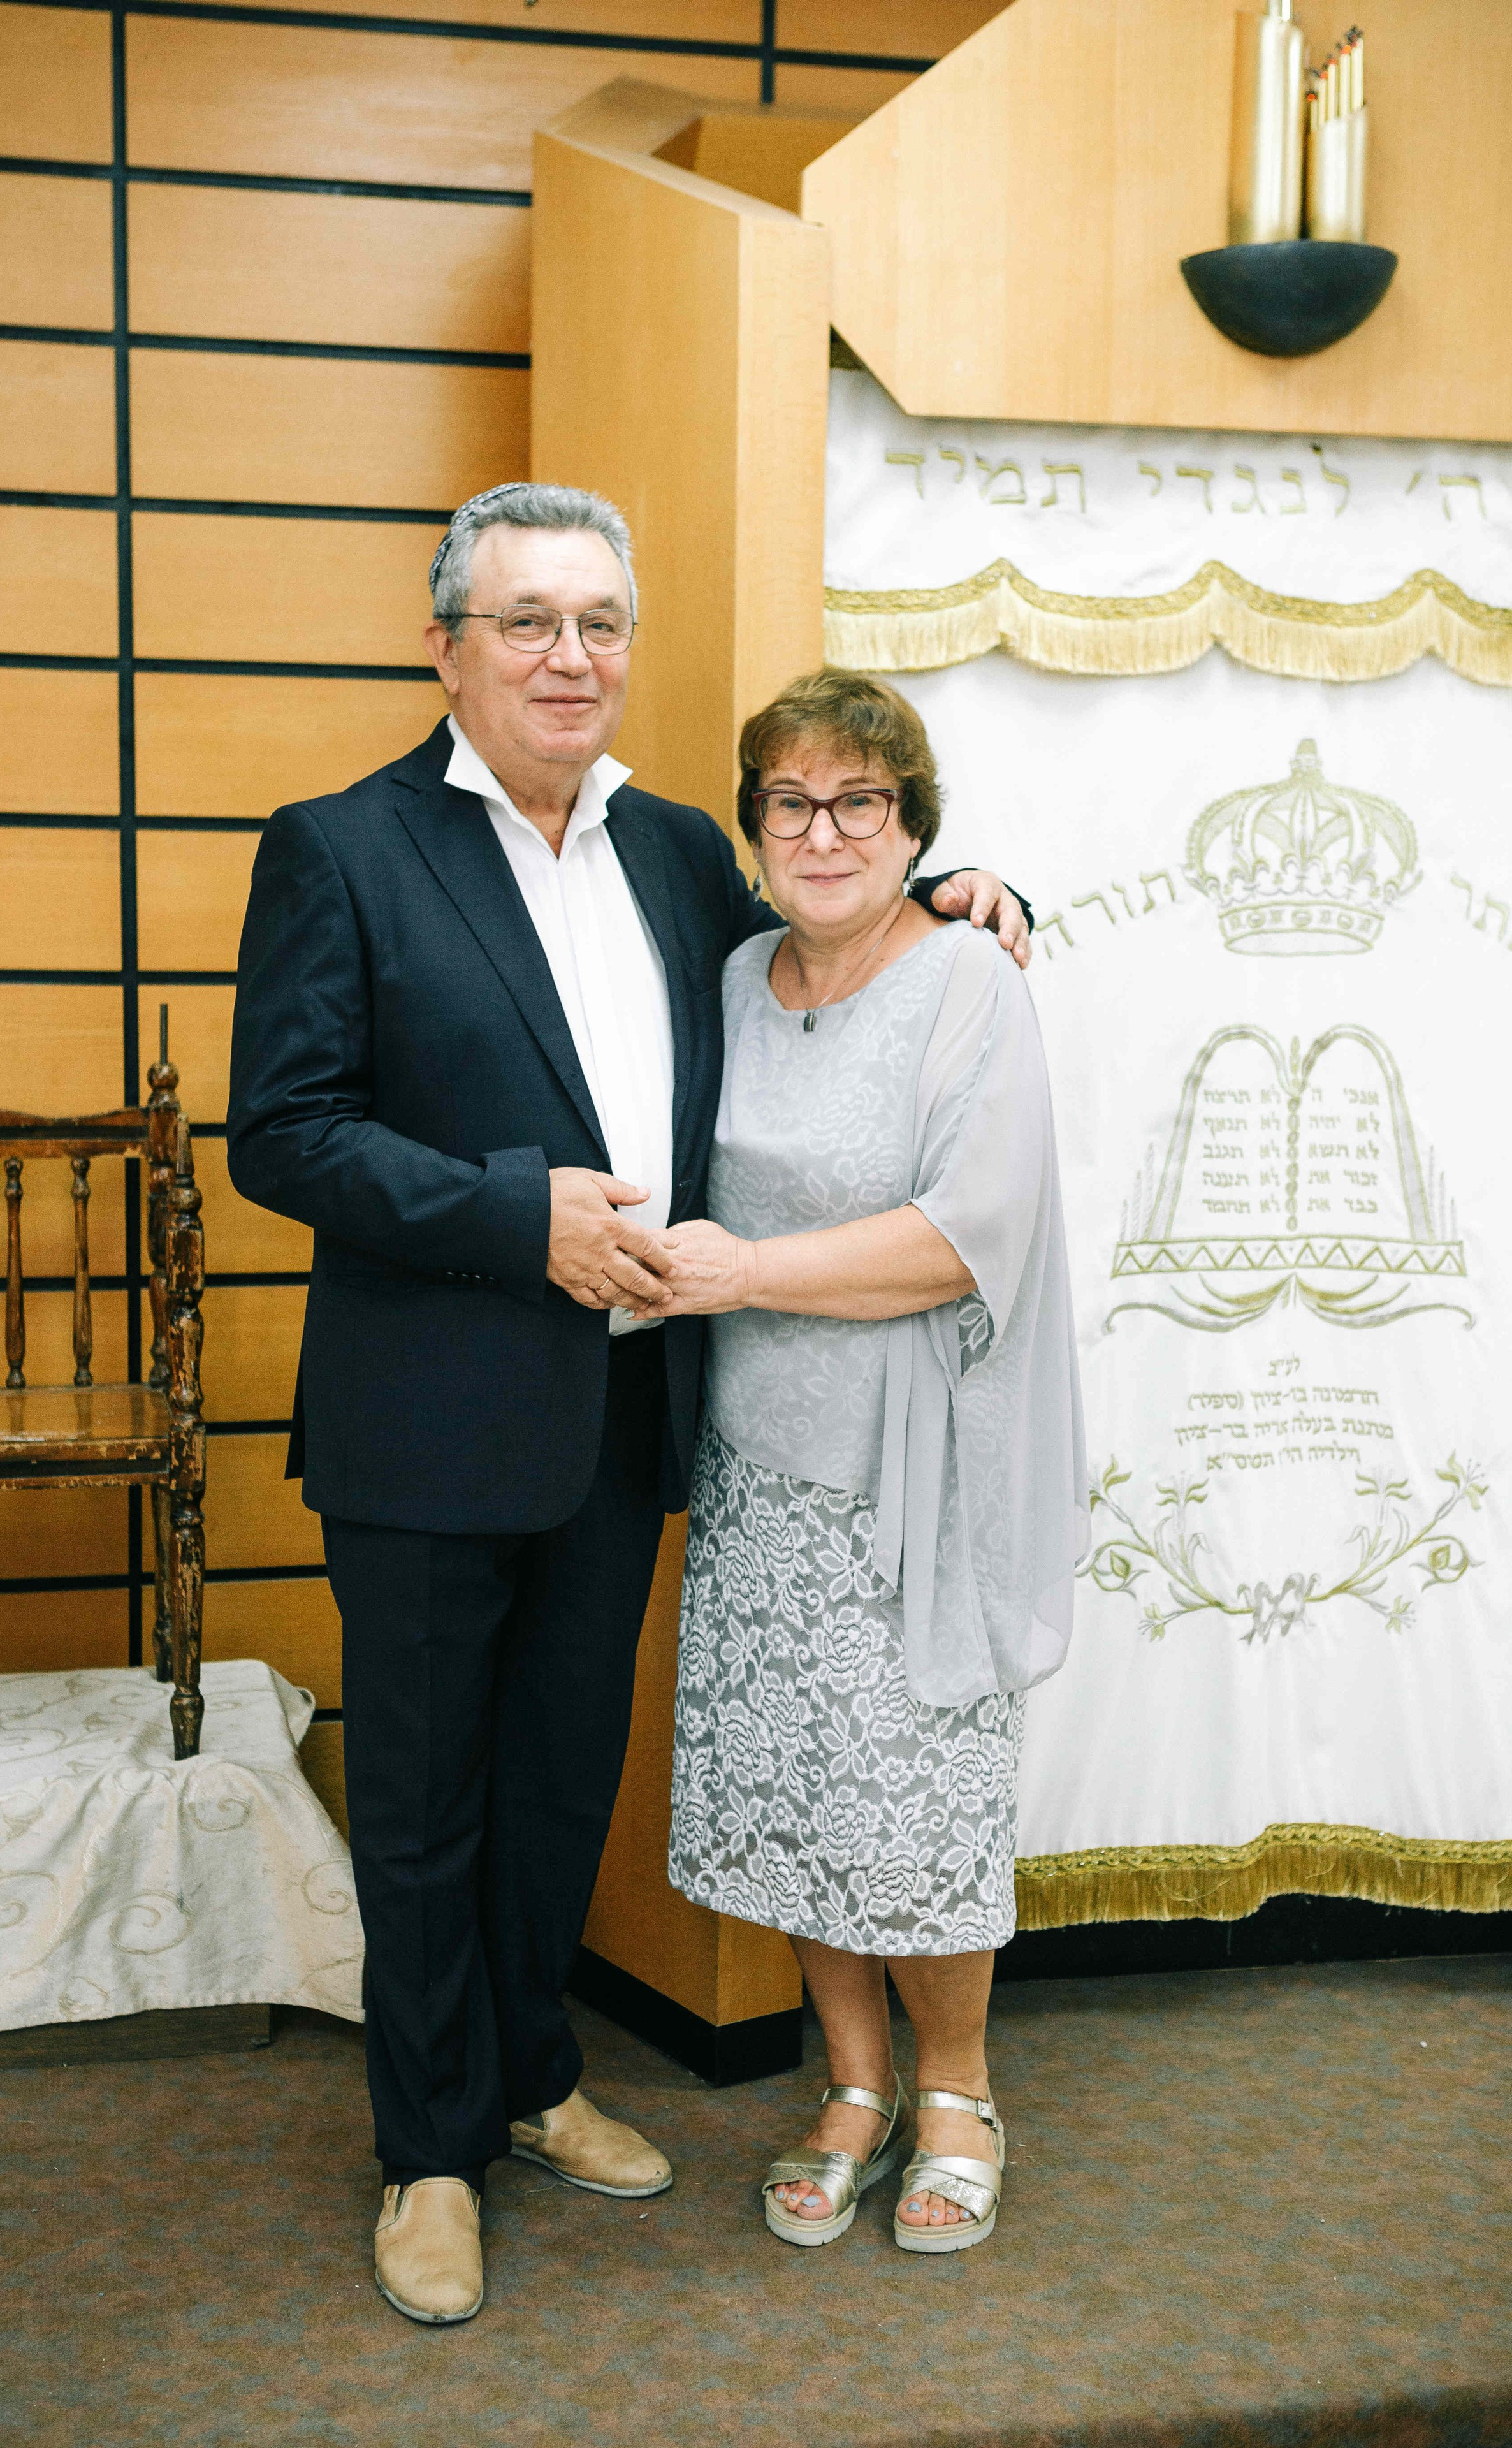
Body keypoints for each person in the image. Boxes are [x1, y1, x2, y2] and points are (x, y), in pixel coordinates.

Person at [226, 485, 1032, 2324]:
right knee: (422, 1804)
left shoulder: (678, 850)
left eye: (598, 622)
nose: (568, 656)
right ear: (447, 649)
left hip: (621, 1423)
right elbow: (283, 1132)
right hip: (424, 1426)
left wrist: (974, 894)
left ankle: (530, 2079)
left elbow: (832, 928)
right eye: (526, 621)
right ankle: (430, 2152)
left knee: (557, 1788)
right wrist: (514, 1217)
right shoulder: (340, 847)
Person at [652, 667, 1087, 2255]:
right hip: (758, 1468)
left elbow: (965, 1237)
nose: (823, 831)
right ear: (753, 825)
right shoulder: (728, 978)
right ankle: (852, 2083)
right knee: (801, 1796)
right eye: (791, 802)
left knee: (919, 1804)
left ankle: (956, 2089)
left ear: (913, 828)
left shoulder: (969, 980)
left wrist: (744, 1272)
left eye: (861, 802)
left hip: (917, 1476)